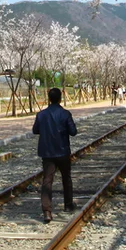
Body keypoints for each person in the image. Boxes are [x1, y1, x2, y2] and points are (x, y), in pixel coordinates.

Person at [33, 87, 79, 223]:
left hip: (47, 152)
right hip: (63, 151)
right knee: (66, 178)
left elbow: (35, 130)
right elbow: (73, 132)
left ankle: (47, 211)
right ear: (60, 98)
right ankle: (68, 205)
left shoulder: (41, 115)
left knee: (47, 180)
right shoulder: (65, 114)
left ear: (49, 98)